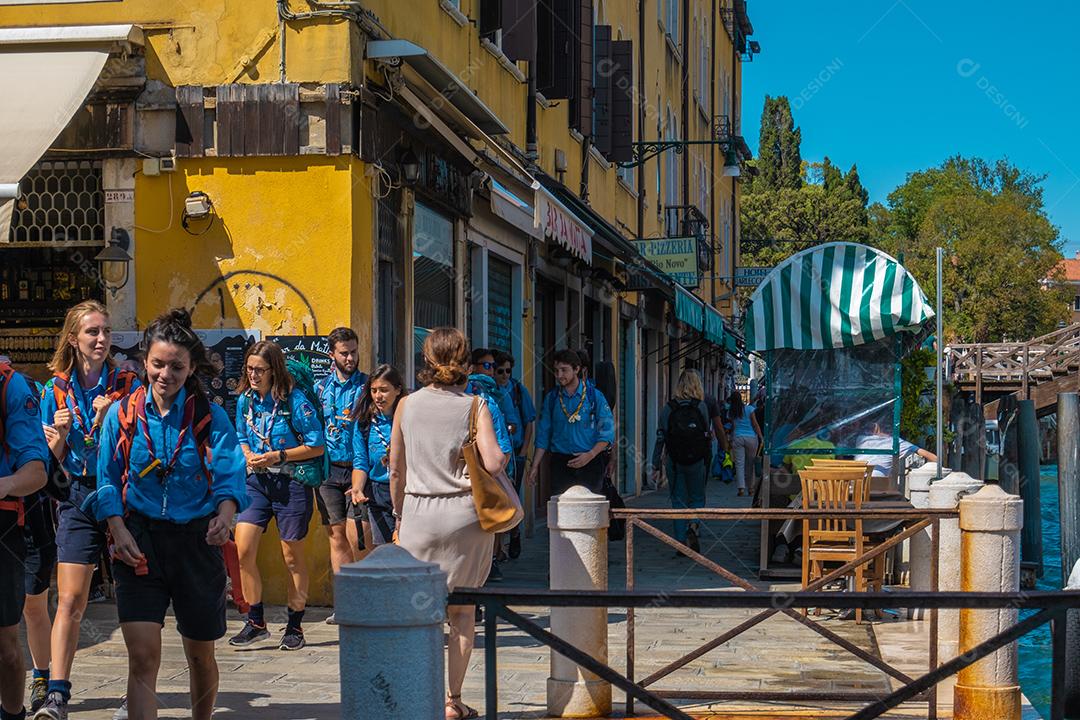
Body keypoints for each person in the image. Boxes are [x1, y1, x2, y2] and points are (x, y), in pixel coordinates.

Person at [94, 309, 249, 720]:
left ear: (191, 367)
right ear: (145, 361)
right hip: (138, 544)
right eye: (158, 364)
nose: (166, 374)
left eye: (177, 366)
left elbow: (231, 469)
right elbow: (106, 477)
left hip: (197, 543)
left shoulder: (208, 416)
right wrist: (116, 526)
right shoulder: (121, 415)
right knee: (143, 658)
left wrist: (226, 512)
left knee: (200, 656)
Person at [389, 328, 504, 720]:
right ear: (465, 361)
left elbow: (395, 469)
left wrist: (400, 514)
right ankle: (452, 701)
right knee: (463, 613)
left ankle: (418, 692)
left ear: (426, 359)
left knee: (419, 612)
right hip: (463, 518)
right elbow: (493, 463)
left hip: (418, 515)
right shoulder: (476, 405)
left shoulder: (406, 404)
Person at [36, 301, 140, 720]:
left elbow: (143, 442)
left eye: (106, 331)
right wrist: (60, 435)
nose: (101, 339)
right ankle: (57, 693)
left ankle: (137, 692)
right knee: (71, 598)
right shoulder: (53, 391)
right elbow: (45, 464)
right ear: (73, 338)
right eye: (92, 332)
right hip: (77, 494)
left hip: (125, 493)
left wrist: (112, 420)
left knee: (135, 599)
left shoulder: (128, 383)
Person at [229, 341, 325, 651]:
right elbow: (241, 434)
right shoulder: (246, 400)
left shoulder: (295, 401)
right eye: (250, 369)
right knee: (243, 550)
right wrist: (246, 454)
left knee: (291, 557)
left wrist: (278, 456)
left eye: (260, 370)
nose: (253, 375)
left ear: (275, 371)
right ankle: (255, 621)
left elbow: (317, 445)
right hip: (256, 483)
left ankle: (295, 625)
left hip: (291, 484)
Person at [0, 362, 49, 720]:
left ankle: (13, 713)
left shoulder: (11, 387)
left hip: (2, 525)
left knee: (5, 645)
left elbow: (36, 471)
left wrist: (2, 486)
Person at [314, 327, 368, 624]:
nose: (350, 358)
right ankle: (345, 604)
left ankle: (363, 600)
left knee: (359, 536)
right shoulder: (320, 388)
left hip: (360, 470)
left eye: (354, 352)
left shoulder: (368, 386)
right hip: (328, 471)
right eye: (344, 353)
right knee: (336, 537)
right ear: (332, 354)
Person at [651, 369, 728, 554]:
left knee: (678, 500)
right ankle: (693, 524)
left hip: (674, 461)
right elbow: (707, 435)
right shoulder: (701, 407)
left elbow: (660, 437)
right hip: (698, 460)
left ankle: (679, 543)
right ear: (698, 385)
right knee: (697, 497)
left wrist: (655, 464)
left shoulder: (668, 408)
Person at [527, 349, 614, 496]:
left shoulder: (595, 397)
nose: (559, 375)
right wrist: (535, 466)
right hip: (561, 464)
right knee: (561, 511)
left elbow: (607, 434)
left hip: (590, 463)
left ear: (576, 369)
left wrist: (590, 455)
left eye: (564, 370)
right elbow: (543, 435)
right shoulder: (552, 398)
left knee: (589, 512)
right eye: (556, 371)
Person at [351, 364, 406, 548]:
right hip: (378, 493)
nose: (378, 396)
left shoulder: (410, 418)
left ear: (397, 390)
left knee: (408, 551)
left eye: (384, 390)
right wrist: (357, 488)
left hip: (406, 491)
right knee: (385, 551)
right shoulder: (364, 422)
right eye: (374, 390)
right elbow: (361, 461)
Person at [493, 351, 535, 560]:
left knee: (512, 499)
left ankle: (514, 533)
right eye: (500, 371)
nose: (505, 375)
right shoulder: (487, 391)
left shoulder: (518, 389)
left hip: (515, 454)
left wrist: (524, 451)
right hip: (494, 455)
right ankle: (498, 548)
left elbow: (529, 421)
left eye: (508, 371)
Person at [853, 423, 937, 478]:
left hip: (855, 479)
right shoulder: (896, 442)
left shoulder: (861, 439)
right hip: (877, 481)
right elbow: (931, 456)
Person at [728, 389, 763, 497]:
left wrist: (730, 438)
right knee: (750, 464)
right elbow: (755, 424)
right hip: (751, 438)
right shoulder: (750, 409)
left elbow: (733, 426)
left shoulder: (731, 411)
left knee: (739, 464)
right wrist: (761, 437)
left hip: (737, 437)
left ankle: (741, 489)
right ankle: (751, 488)